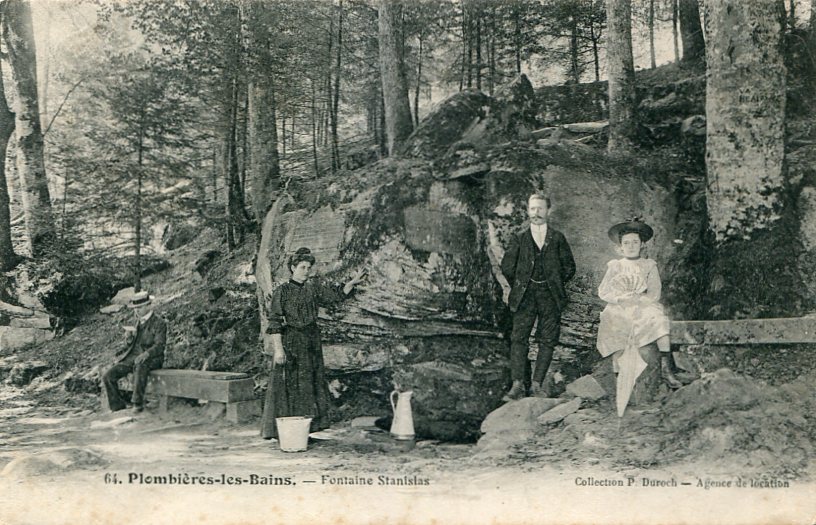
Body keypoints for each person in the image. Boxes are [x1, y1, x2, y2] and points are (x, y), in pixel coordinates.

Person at [260, 247, 367, 440]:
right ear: (292, 268)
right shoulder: (282, 292)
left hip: (311, 341)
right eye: (302, 267)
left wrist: (351, 282)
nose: (306, 271)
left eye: (309, 267)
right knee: (292, 386)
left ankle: (307, 430)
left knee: (310, 383)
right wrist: (278, 350)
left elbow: (335, 297)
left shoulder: (313, 288)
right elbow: (275, 322)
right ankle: (287, 432)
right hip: (292, 341)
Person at [596, 217, 692, 417]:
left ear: (642, 245)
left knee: (658, 318)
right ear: (620, 247)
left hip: (642, 305)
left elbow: (655, 293)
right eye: (626, 243)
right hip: (620, 307)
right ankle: (621, 387)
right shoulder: (615, 266)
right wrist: (620, 298)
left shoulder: (649, 265)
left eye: (635, 242)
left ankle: (667, 368)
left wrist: (640, 301)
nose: (631, 246)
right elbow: (603, 292)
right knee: (612, 321)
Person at [500, 192, 576, 401]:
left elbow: (569, 267)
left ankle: (536, 385)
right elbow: (507, 266)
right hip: (525, 295)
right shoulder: (519, 238)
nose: (536, 213)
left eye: (540, 208)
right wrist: (521, 284)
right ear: (528, 211)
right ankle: (517, 385)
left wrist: (554, 282)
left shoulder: (557, 238)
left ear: (548, 211)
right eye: (533, 209)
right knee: (519, 338)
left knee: (548, 339)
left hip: (550, 296)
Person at [101, 291, 167, 413]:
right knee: (108, 375)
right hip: (133, 357)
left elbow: (160, 346)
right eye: (135, 308)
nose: (137, 311)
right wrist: (129, 339)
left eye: (140, 307)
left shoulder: (159, 323)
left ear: (149, 306)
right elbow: (132, 345)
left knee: (140, 365)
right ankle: (117, 407)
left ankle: (137, 403)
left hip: (152, 358)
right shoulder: (137, 322)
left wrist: (146, 354)